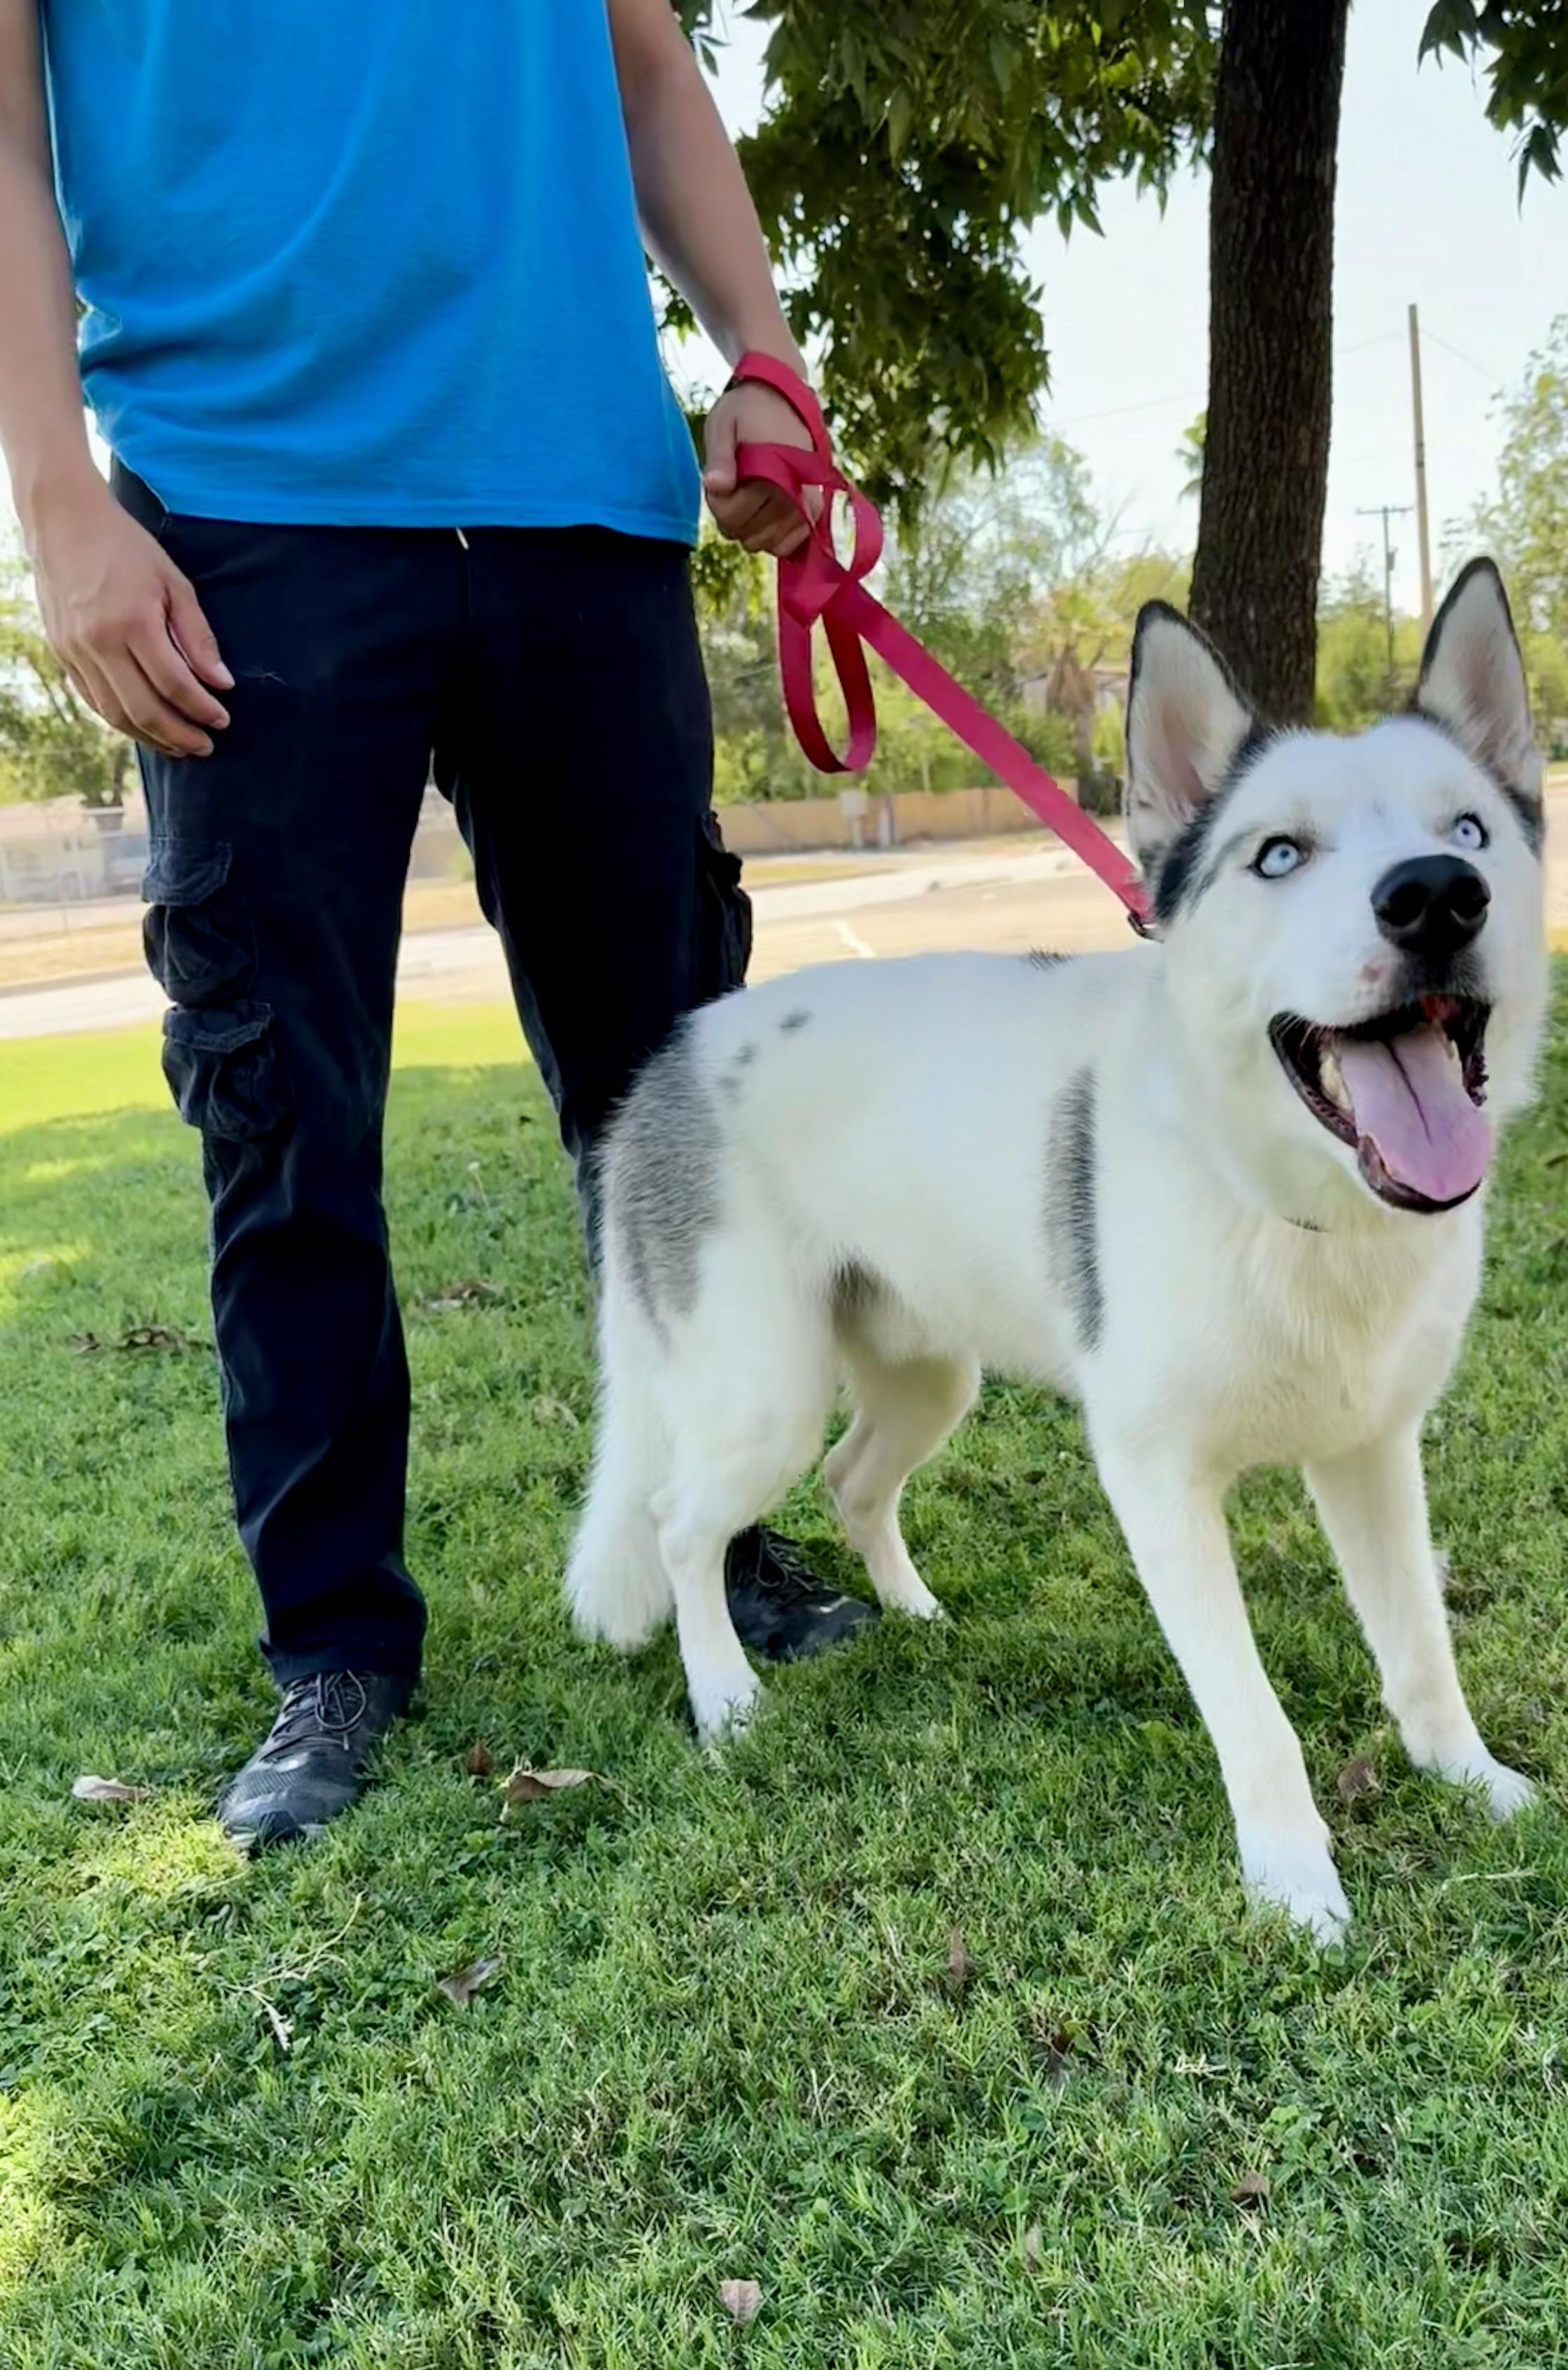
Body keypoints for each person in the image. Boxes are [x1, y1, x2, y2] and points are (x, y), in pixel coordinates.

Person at [0, 0, 878, 1845]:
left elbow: (644, 60)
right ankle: (336, 1644)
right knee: (284, 1112)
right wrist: (58, 502)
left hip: (581, 495)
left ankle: (711, 1512)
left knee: (672, 1103)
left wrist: (764, 356)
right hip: (240, 508)